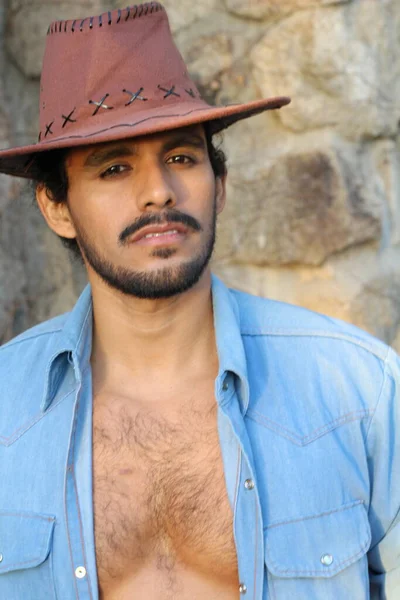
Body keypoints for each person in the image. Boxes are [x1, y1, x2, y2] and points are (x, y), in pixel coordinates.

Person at [0, 2, 398, 599]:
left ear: (221, 185)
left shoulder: (357, 391)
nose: (158, 191)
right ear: (57, 207)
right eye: (113, 168)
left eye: (182, 157)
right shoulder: (7, 411)